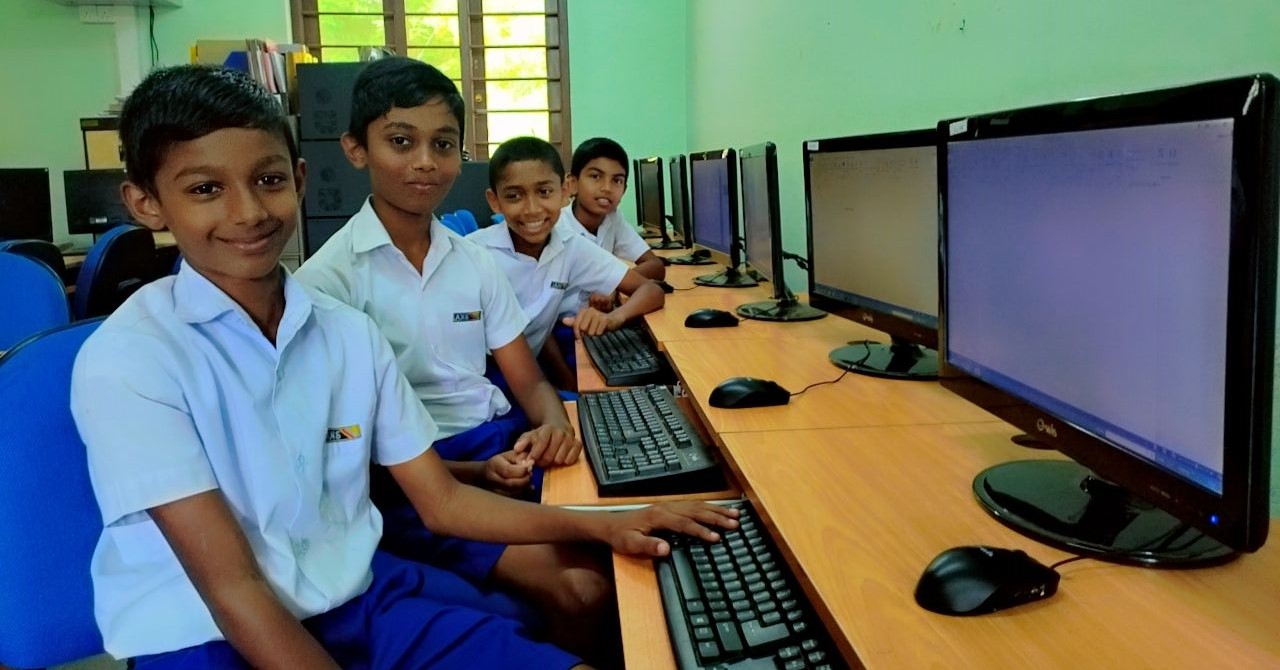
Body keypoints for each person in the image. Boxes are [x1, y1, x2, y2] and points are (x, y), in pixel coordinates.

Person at [72, 63, 738, 669]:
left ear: (298, 180)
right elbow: (235, 591)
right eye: (205, 189)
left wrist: (610, 522)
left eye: (268, 180)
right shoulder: (133, 358)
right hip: (208, 634)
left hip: (358, 596)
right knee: (575, 589)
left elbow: (442, 500)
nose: (247, 212)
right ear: (146, 203)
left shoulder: (344, 333)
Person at [292, 57, 619, 656]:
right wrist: (476, 473)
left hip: (505, 443)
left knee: (640, 530)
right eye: (401, 141)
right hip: (421, 477)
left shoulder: (474, 261)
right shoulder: (327, 284)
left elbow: (527, 379)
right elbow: (350, 455)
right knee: (585, 586)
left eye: (443, 144)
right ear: (356, 149)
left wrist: (552, 425)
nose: (425, 161)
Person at [470, 136, 666, 392]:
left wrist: (613, 318)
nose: (532, 209)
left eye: (544, 192)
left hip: (527, 380)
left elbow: (652, 290)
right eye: (514, 196)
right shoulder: (473, 254)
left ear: (564, 192)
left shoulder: (570, 246)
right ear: (494, 201)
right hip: (478, 379)